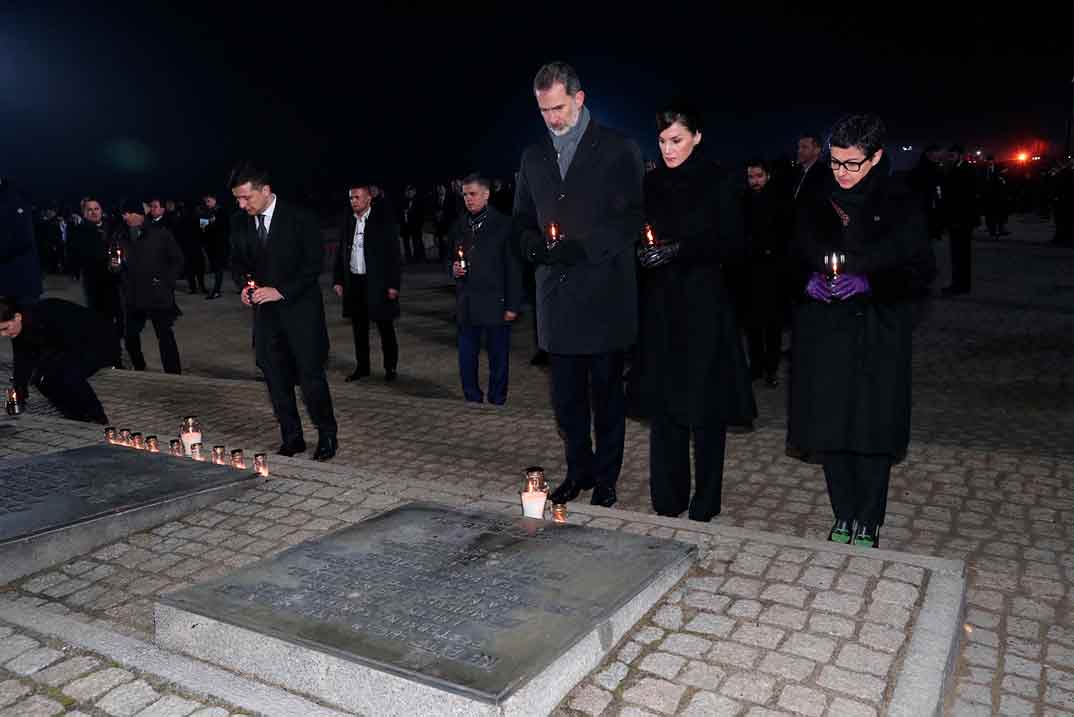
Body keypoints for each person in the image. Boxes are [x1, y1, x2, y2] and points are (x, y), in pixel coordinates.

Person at [787, 114, 936, 548]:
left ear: (875, 158)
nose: (842, 173)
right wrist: (804, 281)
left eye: (852, 164)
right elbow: (788, 256)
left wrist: (872, 283)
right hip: (825, 332)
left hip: (877, 332)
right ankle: (843, 513)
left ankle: (869, 519)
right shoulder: (813, 197)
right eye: (835, 163)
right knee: (831, 427)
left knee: (870, 431)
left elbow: (921, 270)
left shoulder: (900, 201)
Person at [514, 61, 644, 508]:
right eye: (544, 110)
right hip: (557, 300)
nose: (552, 118)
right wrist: (532, 246)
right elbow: (521, 219)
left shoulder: (617, 148)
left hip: (604, 296)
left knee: (607, 400)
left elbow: (630, 220)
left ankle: (607, 478)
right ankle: (578, 471)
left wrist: (583, 249)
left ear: (580, 98)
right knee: (568, 404)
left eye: (558, 107)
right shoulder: (533, 157)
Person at [635, 106, 756, 522]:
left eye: (677, 140)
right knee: (666, 402)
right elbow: (643, 230)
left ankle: (706, 500)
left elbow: (735, 243)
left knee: (706, 406)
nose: (668, 149)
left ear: (697, 137)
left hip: (705, 302)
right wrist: (645, 252)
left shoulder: (721, 179)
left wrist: (679, 249)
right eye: (662, 141)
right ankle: (668, 498)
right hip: (663, 303)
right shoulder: (651, 182)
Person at [229, 162, 338, 460]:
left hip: (300, 314)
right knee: (275, 379)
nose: (242, 204)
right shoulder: (239, 222)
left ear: (265, 190)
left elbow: (314, 264)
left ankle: (327, 435)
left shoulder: (299, 218)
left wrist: (281, 290)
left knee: (311, 379)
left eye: (246, 197)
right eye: (237, 199)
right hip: (266, 319)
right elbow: (236, 262)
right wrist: (243, 286)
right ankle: (292, 437)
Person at [450, 173, 522, 404]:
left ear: (486, 194)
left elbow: (513, 268)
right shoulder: (460, 224)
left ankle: (497, 398)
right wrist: (452, 269)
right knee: (466, 357)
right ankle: (472, 396)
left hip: (495, 303)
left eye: (472, 194)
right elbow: (447, 257)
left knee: (498, 357)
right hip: (467, 303)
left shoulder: (504, 224)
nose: (468, 199)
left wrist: (512, 304)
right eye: (465, 195)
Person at [1, 297, 114, 424]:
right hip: (65, 346)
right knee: (41, 380)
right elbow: (22, 361)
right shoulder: (19, 329)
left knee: (68, 375)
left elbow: (66, 348)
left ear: (17, 317)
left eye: (5, 328)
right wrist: (19, 394)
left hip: (95, 341)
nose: (3, 335)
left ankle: (97, 417)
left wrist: (46, 366)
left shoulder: (46, 316)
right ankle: (76, 416)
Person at [332, 183, 401, 382]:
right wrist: (338, 279)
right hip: (355, 283)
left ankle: (390, 368)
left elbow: (394, 256)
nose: (353, 201)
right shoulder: (348, 221)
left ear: (368, 198)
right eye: (351, 198)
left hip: (378, 283)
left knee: (385, 327)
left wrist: (393, 284)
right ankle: (363, 367)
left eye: (357, 197)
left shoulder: (382, 221)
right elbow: (341, 252)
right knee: (359, 329)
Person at [115, 200, 184, 374]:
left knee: (165, 336)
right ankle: (139, 367)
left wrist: (165, 282)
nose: (125, 217)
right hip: (132, 294)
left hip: (157, 294)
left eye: (128, 213)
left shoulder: (160, 232)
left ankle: (174, 374)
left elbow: (177, 260)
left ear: (139, 214)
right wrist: (114, 266)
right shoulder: (120, 235)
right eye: (123, 214)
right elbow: (114, 261)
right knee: (130, 335)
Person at [743, 159, 793, 386]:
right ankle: (756, 366)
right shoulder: (743, 201)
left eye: (758, 176)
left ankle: (771, 369)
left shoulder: (780, 201)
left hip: (773, 269)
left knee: (772, 324)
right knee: (753, 323)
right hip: (750, 270)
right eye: (751, 177)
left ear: (768, 176)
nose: (754, 181)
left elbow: (786, 233)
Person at [67, 197, 125, 368]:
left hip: (118, 281)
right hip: (96, 283)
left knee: (122, 321)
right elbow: (74, 256)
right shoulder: (79, 231)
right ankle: (112, 359)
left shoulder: (113, 227)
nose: (93, 212)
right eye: (89, 210)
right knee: (102, 323)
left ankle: (116, 353)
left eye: (96, 208)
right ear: (84, 213)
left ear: (102, 210)